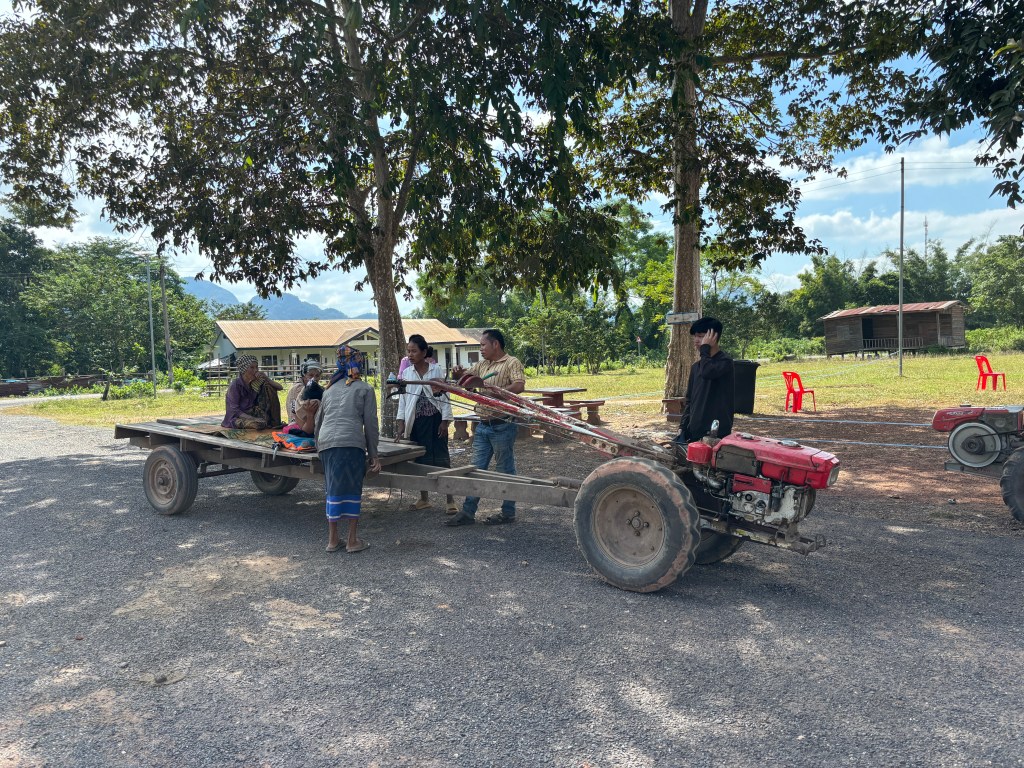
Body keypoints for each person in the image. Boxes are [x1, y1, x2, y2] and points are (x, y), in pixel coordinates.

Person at [445, 328, 525, 526]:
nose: (480, 348)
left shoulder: (511, 362)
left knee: (505, 469)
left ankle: (508, 513)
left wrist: (495, 393)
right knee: (476, 469)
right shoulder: (482, 365)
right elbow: (465, 381)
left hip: (503, 424)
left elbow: (519, 386)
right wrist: (458, 374)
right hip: (482, 425)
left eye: (483, 345)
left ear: (495, 344)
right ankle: (468, 512)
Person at [314, 360, 381, 553]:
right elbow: (370, 423)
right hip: (350, 443)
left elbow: (319, 421)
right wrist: (374, 455)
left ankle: (333, 539)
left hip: (327, 444)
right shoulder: (365, 389)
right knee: (353, 489)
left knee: (332, 489)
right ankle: (352, 540)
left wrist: (319, 447)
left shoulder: (329, 389)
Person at [396, 334, 457, 514]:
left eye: (414, 351)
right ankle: (424, 499)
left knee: (442, 460)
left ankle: (450, 500)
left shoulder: (436, 370)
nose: (410, 355)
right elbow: (403, 401)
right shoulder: (407, 373)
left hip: (436, 421)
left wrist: (445, 421)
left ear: (424, 352)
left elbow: (445, 397)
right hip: (416, 423)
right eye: (408, 351)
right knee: (420, 461)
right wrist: (401, 422)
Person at [675, 317, 734, 447]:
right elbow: (690, 400)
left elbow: (708, 372)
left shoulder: (725, 362)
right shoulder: (696, 367)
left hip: (716, 432)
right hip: (695, 431)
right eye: (695, 336)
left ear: (713, 337)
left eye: (701, 336)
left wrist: (705, 348)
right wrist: (683, 426)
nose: (696, 340)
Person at [222, 354, 285, 429]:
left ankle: (275, 422)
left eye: (256, 367)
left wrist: (266, 378)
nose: (255, 370)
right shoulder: (235, 385)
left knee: (269, 387)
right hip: (237, 417)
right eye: (252, 367)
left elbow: (280, 387)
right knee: (256, 424)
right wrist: (253, 419)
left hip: (252, 413)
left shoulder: (256, 382)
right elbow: (235, 410)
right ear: (244, 370)